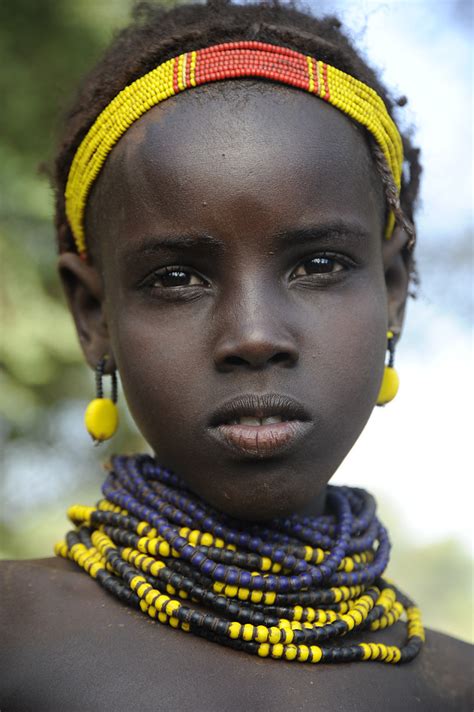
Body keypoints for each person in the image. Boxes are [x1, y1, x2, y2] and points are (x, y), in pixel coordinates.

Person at [1, 1, 471, 710]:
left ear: (395, 289)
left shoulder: (455, 686)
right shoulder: (14, 634)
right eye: (176, 278)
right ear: (94, 316)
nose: (253, 335)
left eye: (317, 263)